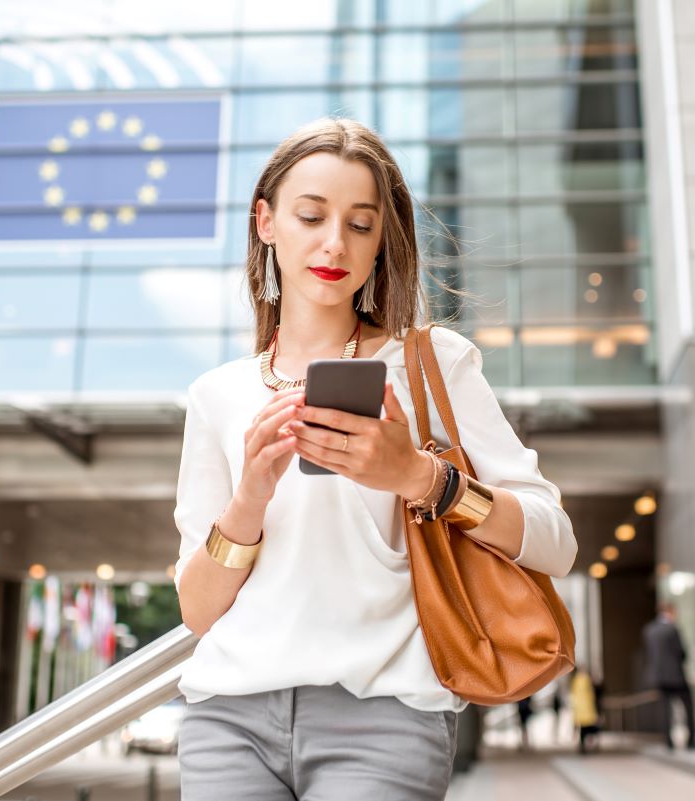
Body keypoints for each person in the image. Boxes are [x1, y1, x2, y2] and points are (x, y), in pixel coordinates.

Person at [170, 118, 578, 800]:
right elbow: (197, 608)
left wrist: (420, 477)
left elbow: (555, 542)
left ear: (382, 240)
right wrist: (249, 502)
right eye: (311, 216)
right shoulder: (218, 395)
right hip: (227, 721)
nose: (335, 243)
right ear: (266, 222)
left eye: (361, 224)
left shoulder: (432, 365)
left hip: (385, 719)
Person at [642, 602, 695, 750]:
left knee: (664, 709)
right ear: (670, 611)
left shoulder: (649, 630)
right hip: (675, 676)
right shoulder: (672, 629)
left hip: (658, 676)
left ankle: (668, 741)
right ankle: (691, 740)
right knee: (688, 705)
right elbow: (681, 653)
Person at [570, 666, 601, 754]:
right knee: (589, 728)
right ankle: (588, 745)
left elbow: (574, 695)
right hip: (587, 708)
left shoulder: (575, 680)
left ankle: (583, 745)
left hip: (580, 709)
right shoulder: (586, 679)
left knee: (583, 729)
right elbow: (591, 694)